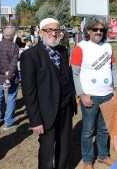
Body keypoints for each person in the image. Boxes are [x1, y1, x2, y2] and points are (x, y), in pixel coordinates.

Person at [21, 18, 77, 169]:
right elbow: (29, 92)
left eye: (56, 30)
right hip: (46, 112)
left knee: (65, 146)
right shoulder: (30, 56)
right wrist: (35, 120)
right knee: (47, 150)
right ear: (40, 33)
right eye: (49, 30)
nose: (53, 33)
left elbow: (67, 78)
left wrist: (72, 100)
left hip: (65, 108)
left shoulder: (63, 52)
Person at [71, 16, 117, 169]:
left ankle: (103, 156)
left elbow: (113, 68)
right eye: (95, 29)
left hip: (107, 95)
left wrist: (116, 89)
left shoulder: (108, 47)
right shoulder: (80, 47)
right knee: (88, 131)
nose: (99, 32)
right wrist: (81, 95)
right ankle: (87, 160)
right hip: (90, 97)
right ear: (88, 30)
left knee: (104, 129)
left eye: (102, 29)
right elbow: (75, 73)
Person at [0, 26, 19, 130]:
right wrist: (8, 76)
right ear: (13, 36)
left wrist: (3, 72)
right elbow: (13, 64)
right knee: (11, 99)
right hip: (11, 78)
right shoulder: (14, 47)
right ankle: (8, 122)